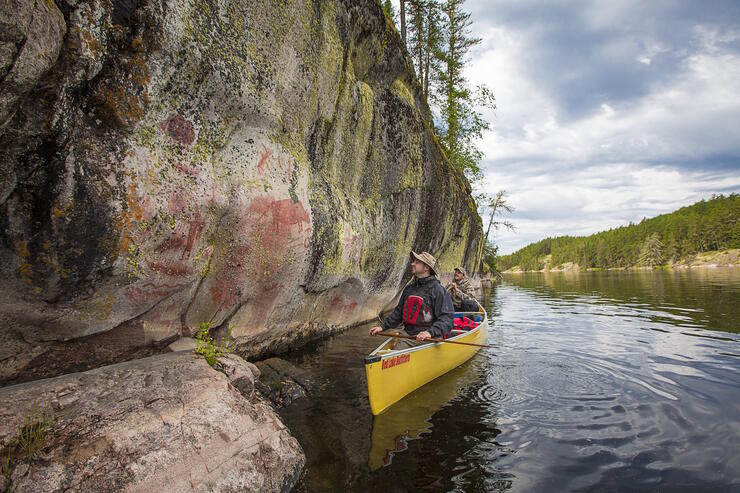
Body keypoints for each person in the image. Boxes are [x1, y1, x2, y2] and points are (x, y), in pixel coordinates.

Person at [369, 251, 454, 349]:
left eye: (417, 262)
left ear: (426, 268)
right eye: (414, 261)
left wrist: (429, 333)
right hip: (408, 335)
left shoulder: (438, 290)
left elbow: (447, 319)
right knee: (395, 350)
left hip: (429, 337)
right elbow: (398, 313)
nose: (412, 264)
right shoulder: (409, 288)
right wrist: (382, 327)